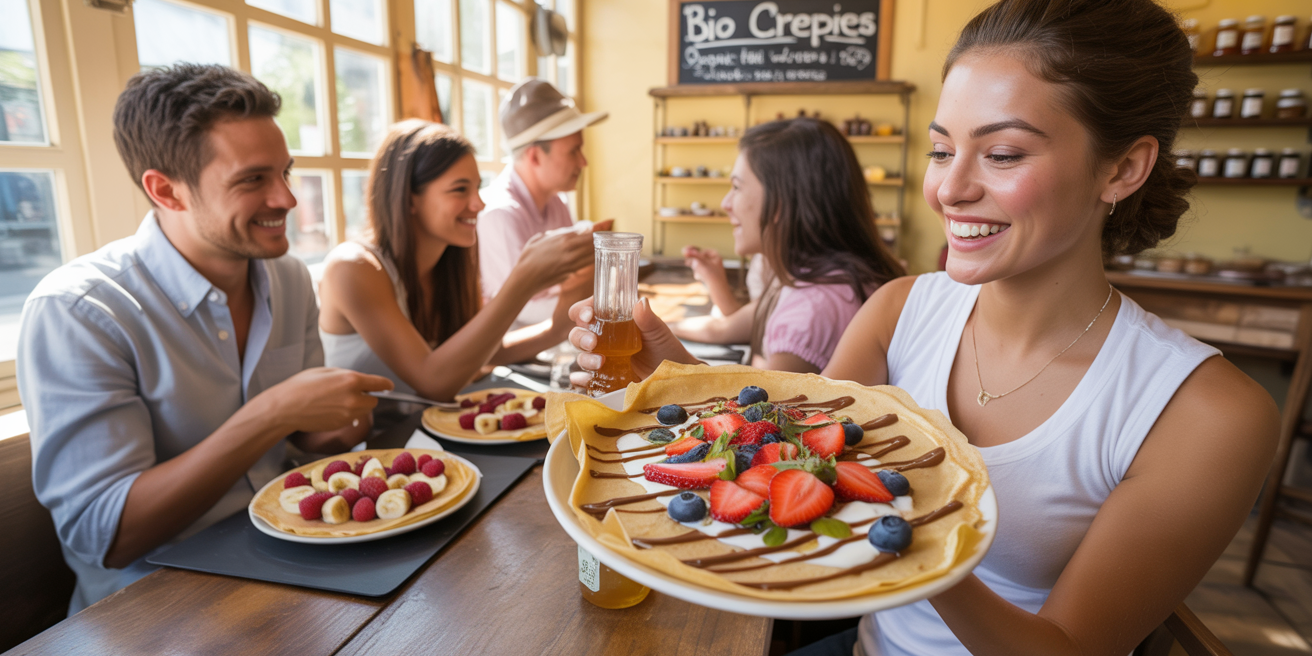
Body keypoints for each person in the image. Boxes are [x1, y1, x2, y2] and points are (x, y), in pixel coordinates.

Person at [566, 1, 1281, 654]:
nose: (949, 188)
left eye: (1002, 154)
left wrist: (924, 539)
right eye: (943, 149)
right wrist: (673, 373)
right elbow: (787, 457)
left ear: (1123, 167)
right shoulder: (901, 308)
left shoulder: (1207, 414)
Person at [17, 64, 393, 614]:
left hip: (292, 564)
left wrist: (333, 427)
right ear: (165, 190)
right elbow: (107, 536)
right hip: (155, 610)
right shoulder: (81, 311)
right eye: (253, 180)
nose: (287, 199)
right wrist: (270, 413)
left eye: (285, 173)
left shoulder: (288, 278)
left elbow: (303, 444)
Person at [317, 120, 596, 402]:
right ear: (409, 199)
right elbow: (433, 381)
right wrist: (524, 280)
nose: (479, 203)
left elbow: (480, 353)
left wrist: (558, 326)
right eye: (460, 189)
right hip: (372, 442)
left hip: (427, 432)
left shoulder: (451, 263)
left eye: (477, 187)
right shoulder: (353, 268)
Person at [670, 118, 904, 373]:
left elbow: (769, 411)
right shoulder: (823, 279)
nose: (726, 203)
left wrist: (674, 366)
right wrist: (665, 328)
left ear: (780, 203)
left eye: (736, 187)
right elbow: (730, 327)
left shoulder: (808, 311)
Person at [478, 78, 609, 328]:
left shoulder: (556, 202)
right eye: (573, 151)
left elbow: (568, 283)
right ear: (535, 156)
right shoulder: (500, 215)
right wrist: (608, 307)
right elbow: (519, 310)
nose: (584, 162)